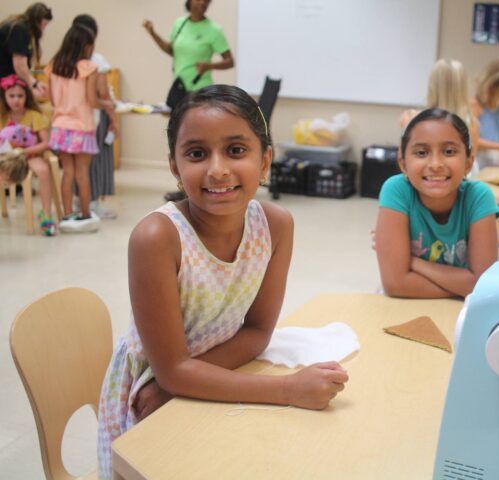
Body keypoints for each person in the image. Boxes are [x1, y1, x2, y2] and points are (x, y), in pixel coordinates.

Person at [96, 85, 349, 479]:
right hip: (147, 399)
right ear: (175, 167)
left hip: (203, 380)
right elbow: (169, 371)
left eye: (235, 150)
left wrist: (180, 381)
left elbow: (259, 331)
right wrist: (288, 390)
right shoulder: (157, 238)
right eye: (197, 154)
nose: (217, 169)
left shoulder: (275, 226)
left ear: (265, 160)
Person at [375, 108, 499, 299]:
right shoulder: (396, 190)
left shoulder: (479, 197)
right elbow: (395, 284)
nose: (435, 164)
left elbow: (483, 286)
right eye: (422, 152)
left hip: (460, 313)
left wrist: (413, 262)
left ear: (468, 163)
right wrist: (464, 287)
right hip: (404, 307)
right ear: (403, 164)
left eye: (449, 151)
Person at [143, 0, 234, 202]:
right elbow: (171, 50)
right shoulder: (180, 24)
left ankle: (198, 188)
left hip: (201, 93)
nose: (203, 3)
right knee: (179, 140)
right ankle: (184, 187)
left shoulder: (214, 30)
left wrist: (209, 66)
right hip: (180, 90)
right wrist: (153, 33)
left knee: (199, 141)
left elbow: (230, 61)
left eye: (207, 1)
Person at [45, 23, 115, 233]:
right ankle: (85, 214)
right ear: (86, 46)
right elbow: (92, 101)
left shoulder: (53, 66)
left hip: (59, 126)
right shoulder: (88, 68)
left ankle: (67, 214)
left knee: (67, 172)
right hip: (82, 127)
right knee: (82, 173)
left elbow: (51, 99)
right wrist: (108, 104)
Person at [71, 14, 119, 219]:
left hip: (70, 122)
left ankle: (75, 202)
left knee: (73, 166)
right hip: (93, 121)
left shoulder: (63, 61)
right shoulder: (97, 61)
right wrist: (113, 117)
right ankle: (92, 204)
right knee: (95, 163)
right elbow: (102, 94)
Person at [0, 74, 55, 235]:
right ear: (4, 97)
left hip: (30, 155)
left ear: (26, 97)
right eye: (11, 96)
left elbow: (46, 143)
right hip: (5, 157)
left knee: (44, 171)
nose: (16, 100)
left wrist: (24, 151)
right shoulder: (3, 116)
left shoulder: (35, 116)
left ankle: (46, 213)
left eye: (20, 96)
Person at [400, 58, 481, 160]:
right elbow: (470, 160)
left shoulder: (411, 119)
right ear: (463, 86)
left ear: (432, 84)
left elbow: (406, 159)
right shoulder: (472, 124)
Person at [0, 3, 53, 100]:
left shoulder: (18, 26)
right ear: (37, 21)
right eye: (44, 24)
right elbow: (20, 66)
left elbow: (23, 70)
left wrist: (35, 83)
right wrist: (30, 90)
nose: (44, 29)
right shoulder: (20, 30)